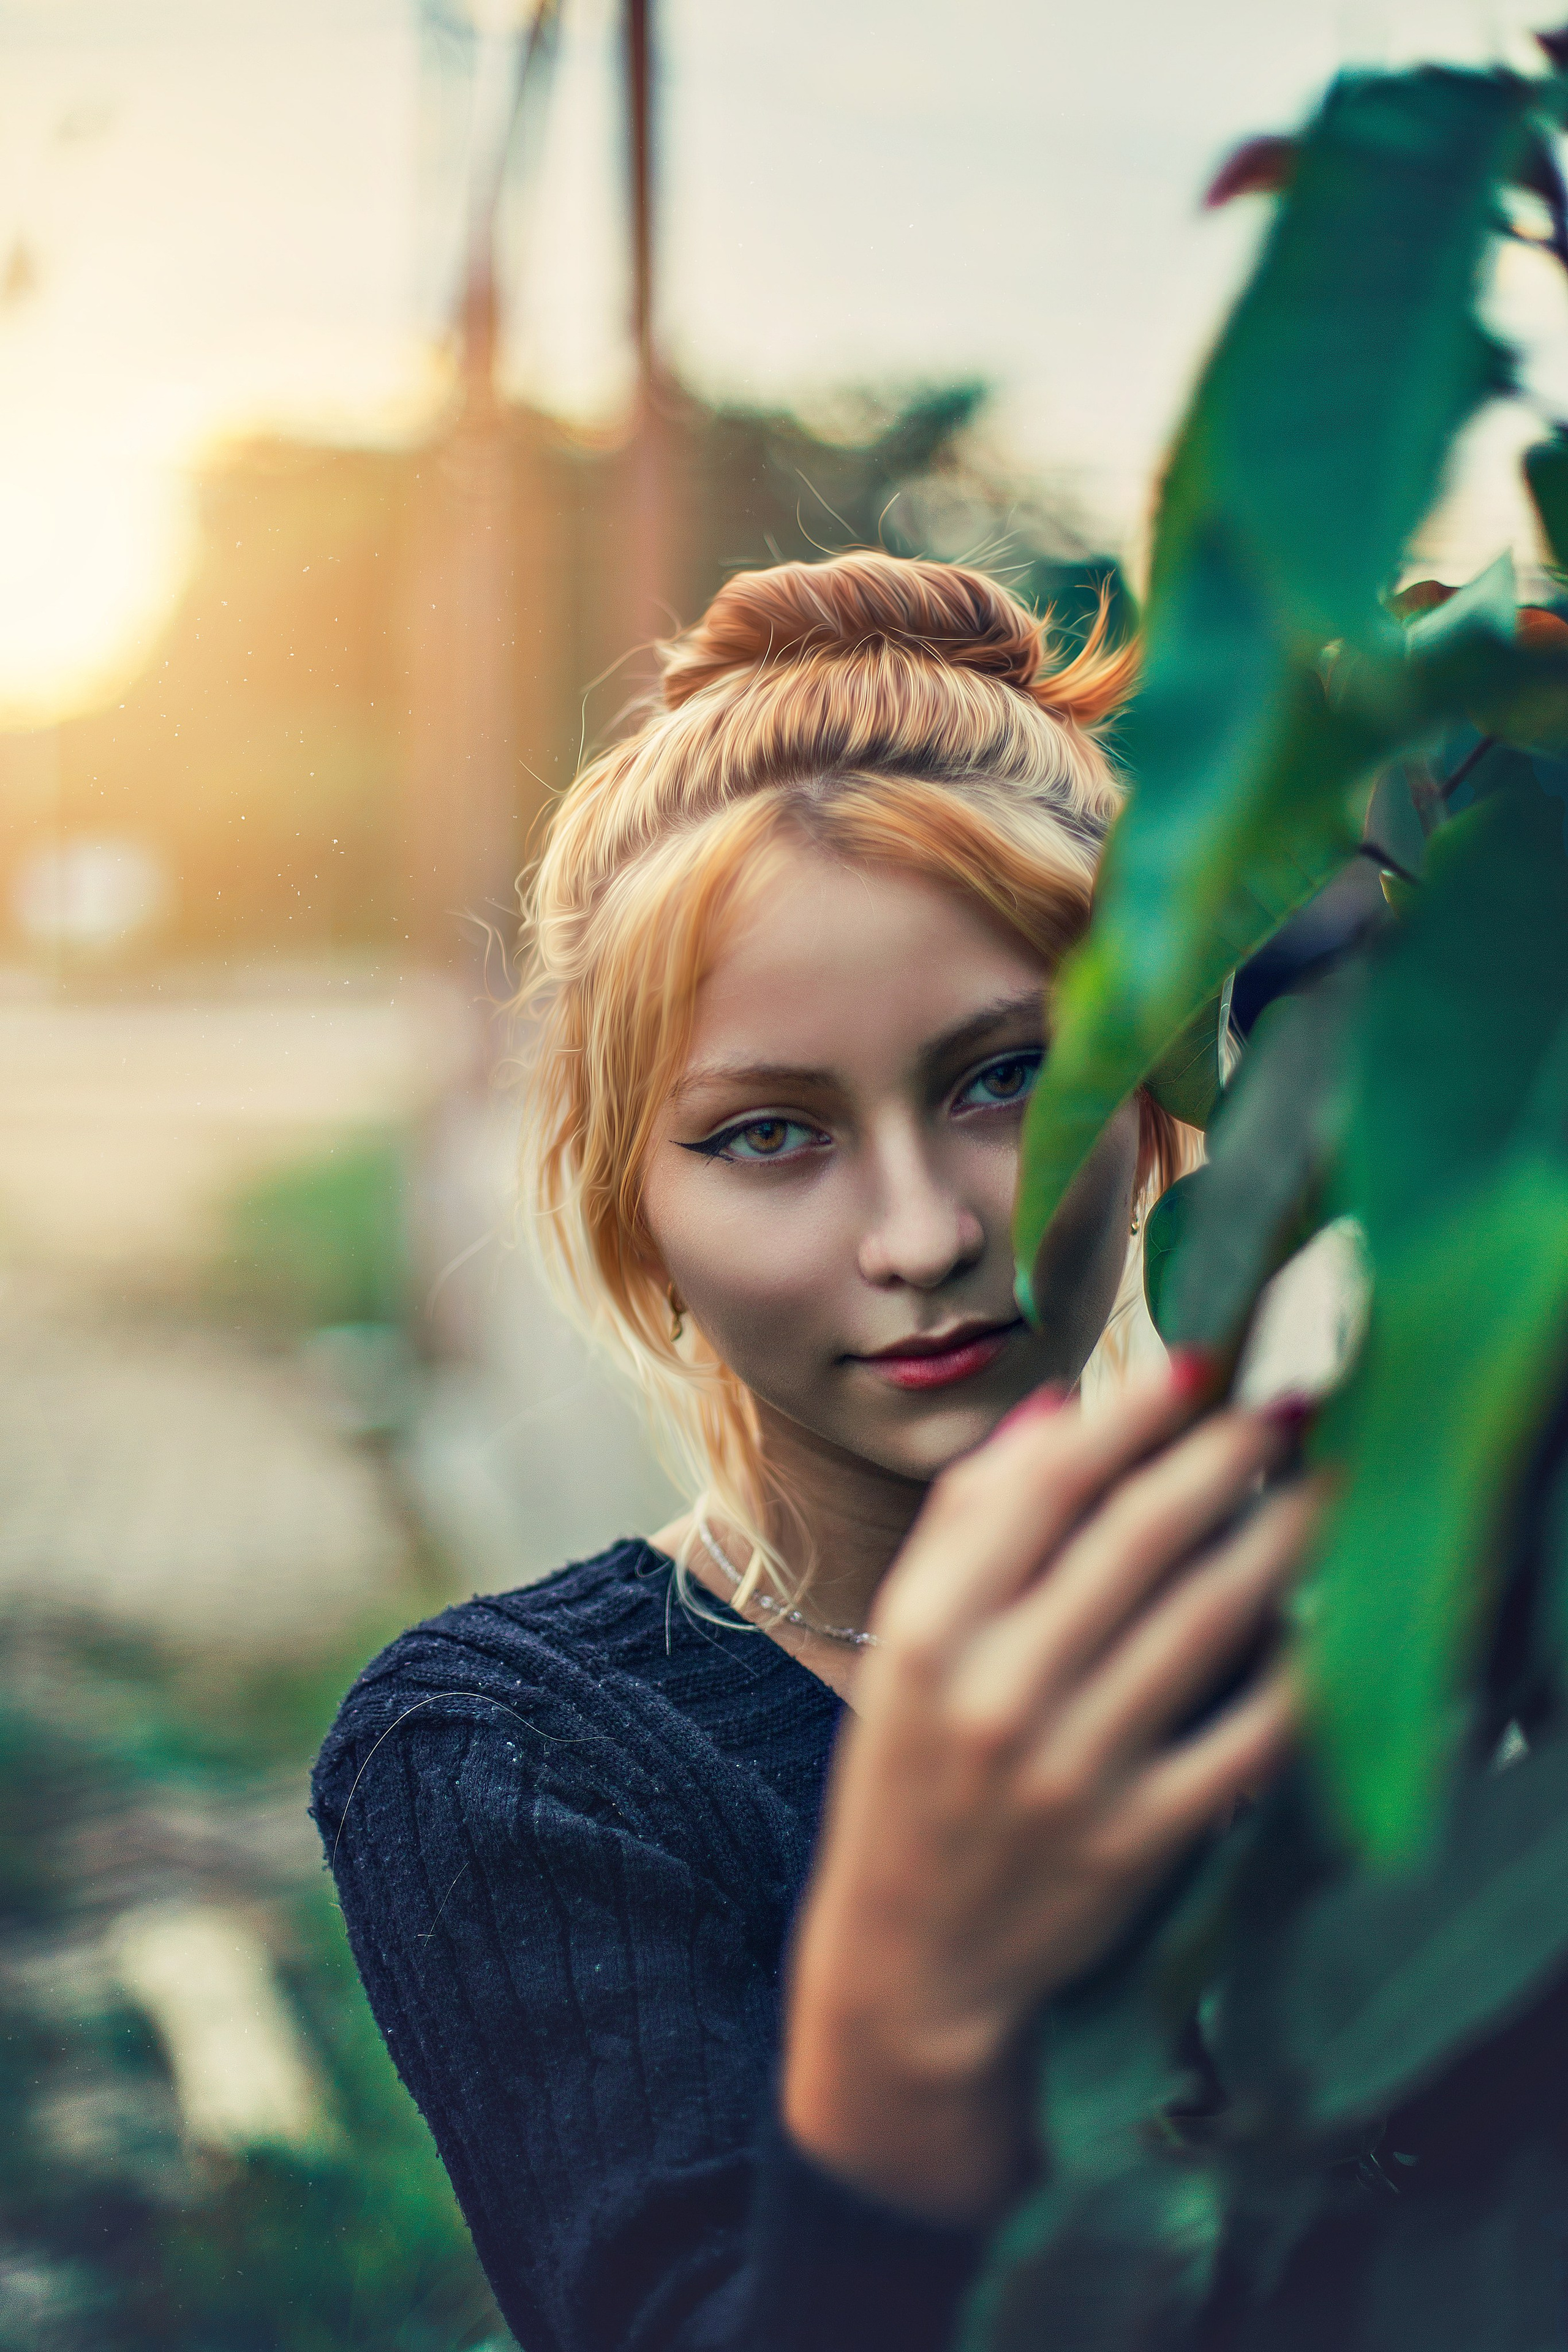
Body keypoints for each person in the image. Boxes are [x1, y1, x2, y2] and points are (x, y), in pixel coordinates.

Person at [311, 552, 1316, 2352]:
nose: (922, 1232)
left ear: (1160, 1098)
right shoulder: (510, 1760)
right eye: (770, 1133)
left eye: (1006, 1079)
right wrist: (903, 2016)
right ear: (634, 1218)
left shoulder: (1343, 1612)